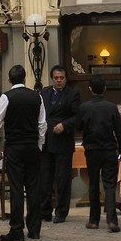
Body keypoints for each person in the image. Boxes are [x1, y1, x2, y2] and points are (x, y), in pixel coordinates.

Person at [0, 64, 46, 241]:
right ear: (24, 79)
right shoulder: (37, 97)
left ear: (9, 79)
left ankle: (17, 230)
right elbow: (43, 124)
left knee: (16, 188)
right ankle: (35, 229)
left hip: (14, 147)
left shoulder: (6, 97)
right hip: (32, 147)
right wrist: (39, 145)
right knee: (33, 188)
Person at [78, 75, 121, 232]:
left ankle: (94, 220)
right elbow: (119, 131)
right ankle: (112, 220)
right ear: (104, 88)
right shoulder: (111, 107)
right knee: (110, 184)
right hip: (109, 149)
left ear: (90, 88)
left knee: (93, 184)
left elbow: (79, 127)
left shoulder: (84, 107)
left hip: (92, 149)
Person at [39, 64, 80, 224]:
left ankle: (61, 212)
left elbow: (78, 117)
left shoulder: (72, 94)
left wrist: (65, 125)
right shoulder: (44, 92)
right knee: (45, 179)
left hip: (62, 141)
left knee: (63, 179)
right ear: (52, 78)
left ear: (66, 79)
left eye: (61, 78)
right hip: (46, 141)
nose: (59, 81)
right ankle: (45, 211)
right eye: (56, 78)